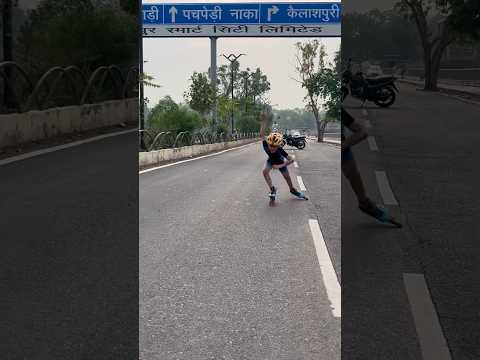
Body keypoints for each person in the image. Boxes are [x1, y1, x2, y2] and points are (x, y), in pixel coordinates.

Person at [341, 107, 391, 221]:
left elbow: (362, 132)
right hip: (343, 149)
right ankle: (363, 201)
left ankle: (364, 201)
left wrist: (343, 146)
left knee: (353, 174)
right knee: (352, 174)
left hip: (344, 149)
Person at [262, 132, 305, 199]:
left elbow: (291, 159)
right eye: (270, 145)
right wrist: (263, 122)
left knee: (287, 177)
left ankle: (292, 189)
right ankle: (272, 188)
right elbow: (261, 133)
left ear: (278, 146)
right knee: (265, 171)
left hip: (280, 162)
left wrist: (284, 164)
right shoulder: (265, 145)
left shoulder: (280, 150)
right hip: (271, 161)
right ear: (268, 143)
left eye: (275, 146)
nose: (272, 148)